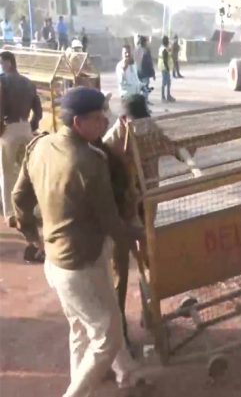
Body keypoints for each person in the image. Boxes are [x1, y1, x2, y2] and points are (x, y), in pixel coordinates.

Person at [12, 87, 148, 396]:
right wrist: (140, 237)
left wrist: (34, 236)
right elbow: (110, 220)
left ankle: (124, 377)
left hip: (58, 260)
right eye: (98, 119)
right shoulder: (90, 162)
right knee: (108, 338)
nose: (104, 123)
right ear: (79, 124)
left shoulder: (40, 146)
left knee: (82, 328)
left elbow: (19, 198)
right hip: (81, 265)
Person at [102, 93, 150, 348]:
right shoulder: (108, 146)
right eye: (135, 123)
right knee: (120, 273)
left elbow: (170, 146)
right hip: (120, 216)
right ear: (122, 120)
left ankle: (150, 313)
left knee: (151, 264)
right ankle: (121, 334)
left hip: (143, 205)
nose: (140, 127)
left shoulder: (145, 130)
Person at [0, 51, 42, 232]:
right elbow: (38, 111)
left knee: (7, 173)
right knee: (29, 173)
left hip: (8, 129)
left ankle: (10, 214)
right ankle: (34, 210)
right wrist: (30, 126)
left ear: (9, 63)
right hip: (26, 129)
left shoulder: (2, 81)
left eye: (1, 62)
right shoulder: (28, 82)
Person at [136, 36, 155, 101]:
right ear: (144, 42)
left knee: (140, 89)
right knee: (145, 88)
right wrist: (153, 73)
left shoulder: (136, 49)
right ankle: (145, 103)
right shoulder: (146, 50)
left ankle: (144, 102)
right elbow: (149, 62)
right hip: (144, 72)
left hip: (138, 72)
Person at [157, 36, 175, 102]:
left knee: (168, 82)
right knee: (165, 82)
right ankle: (163, 97)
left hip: (163, 67)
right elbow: (165, 60)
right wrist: (167, 68)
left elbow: (169, 50)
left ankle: (168, 95)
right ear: (166, 42)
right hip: (165, 67)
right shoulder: (164, 49)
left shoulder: (163, 48)